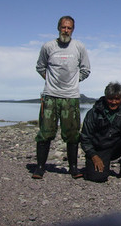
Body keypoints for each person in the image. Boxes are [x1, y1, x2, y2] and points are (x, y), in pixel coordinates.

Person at [32, 15, 91, 179]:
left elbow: (86, 69)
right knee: (45, 133)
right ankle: (40, 167)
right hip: (50, 96)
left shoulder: (79, 47)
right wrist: (51, 81)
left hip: (71, 97)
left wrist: (73, 81)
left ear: (73, 29)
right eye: (64, 27)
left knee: (72, 134)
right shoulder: (48, 46)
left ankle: (73, 168)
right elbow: (40, 67)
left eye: (69, 28)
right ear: (58, 28)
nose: (66, 30)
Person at [80, 82, 121, 182]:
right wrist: (93, 156)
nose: (113, 102)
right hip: (99, 149)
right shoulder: (93, 113)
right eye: (110, 99)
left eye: (117, 99)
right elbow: (85, 138)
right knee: (98, 178)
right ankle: (91, 167)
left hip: (116, 146)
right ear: (105, 97)